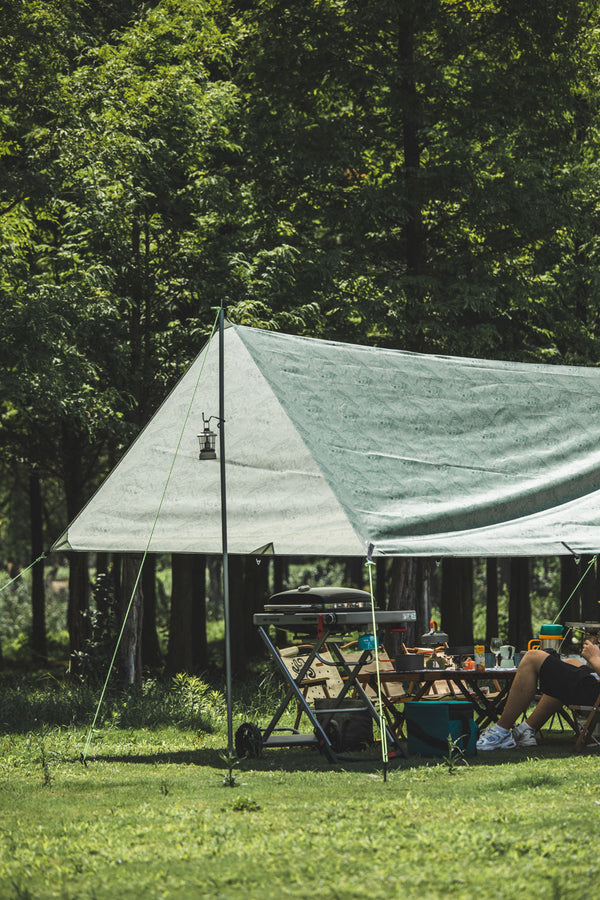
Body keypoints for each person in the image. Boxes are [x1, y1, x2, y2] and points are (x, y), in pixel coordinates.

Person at [477, 639, 600, 750]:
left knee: (532, 657)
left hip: (595, 695)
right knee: (570, 663)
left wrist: (594, 657)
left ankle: (500, 732)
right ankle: (526, 729)